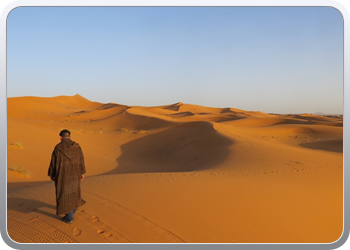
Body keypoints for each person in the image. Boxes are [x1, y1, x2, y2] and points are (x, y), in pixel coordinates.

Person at [48, 129, 86, 224]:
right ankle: (72, 212)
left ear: (61, 137)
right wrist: (82, 173)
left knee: (64, 196)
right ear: (69, 136)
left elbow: (53, 162)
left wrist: (52, 174)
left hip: (63, 176)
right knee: (74, 193)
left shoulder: (58, 148)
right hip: (75, 175)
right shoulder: (77, 147)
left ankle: (69, 218)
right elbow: (81, 160)